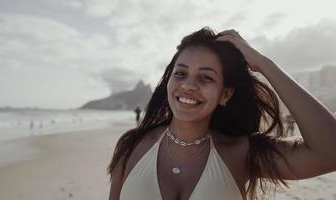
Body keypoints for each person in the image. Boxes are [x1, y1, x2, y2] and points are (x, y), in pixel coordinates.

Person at [107, 27, 336, 200]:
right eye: (180, 73)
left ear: (225, 95)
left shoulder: (241, 153)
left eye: (205, 77)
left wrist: (264, 64)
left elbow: (330, 151)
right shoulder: (131, 146)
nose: (188, 85)